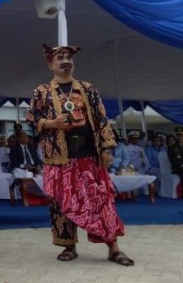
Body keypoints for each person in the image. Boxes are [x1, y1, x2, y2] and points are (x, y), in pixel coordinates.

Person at [26, 44, 134, 266]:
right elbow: (31, 119)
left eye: (68, 57)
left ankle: (113, 247)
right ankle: (68, 246)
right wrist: (51, 123)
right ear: (50, 64)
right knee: (61, 202)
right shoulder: (41, 92)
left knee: (100, 200)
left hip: (88, 155)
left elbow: (102, 118)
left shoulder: (88, 88)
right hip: (58, 158)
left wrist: (106, 148)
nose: (65, 60)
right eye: (60, 58)